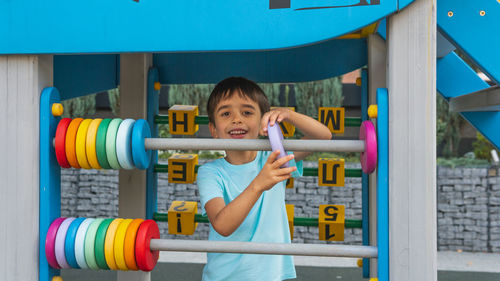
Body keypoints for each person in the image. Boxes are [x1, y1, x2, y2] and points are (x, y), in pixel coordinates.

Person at [197, 77, 332, 281]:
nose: (237, 119)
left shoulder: (276, 157)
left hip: (272, 275)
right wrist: (259, 183)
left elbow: (323, 137)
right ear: (214, 129)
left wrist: (289, 115)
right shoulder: (211, 172)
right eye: (226, 113)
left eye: (247, 112)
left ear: (263, 123)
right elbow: (223, 225)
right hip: (225, 276)